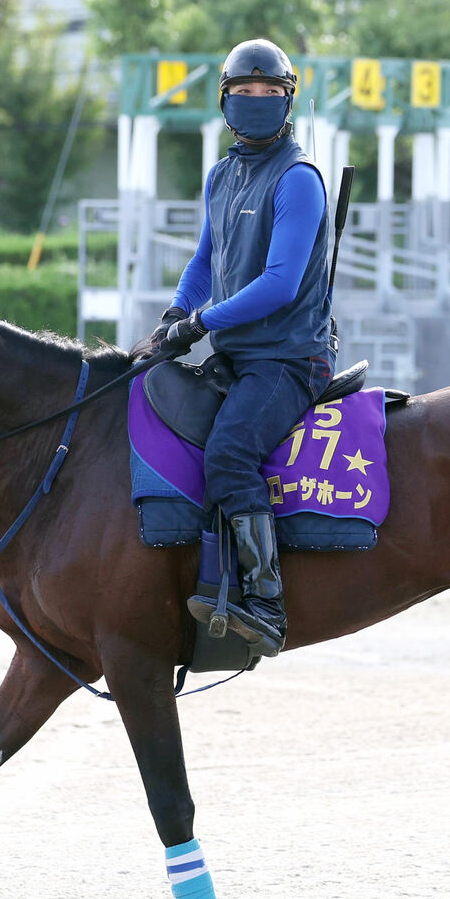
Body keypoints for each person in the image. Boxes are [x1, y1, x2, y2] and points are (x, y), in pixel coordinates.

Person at [152, 37, 334, 658]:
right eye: (244, 92)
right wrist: (178, 309)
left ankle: (264, 600)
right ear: (225, 101)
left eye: (270, 93)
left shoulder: (299, 179)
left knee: (229, 454)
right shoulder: (223, 175)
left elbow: (280, 285)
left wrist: (200, 322)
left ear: (288, 102)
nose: (257, 102)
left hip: (287, 359)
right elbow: (205, 259)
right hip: (234, 356)